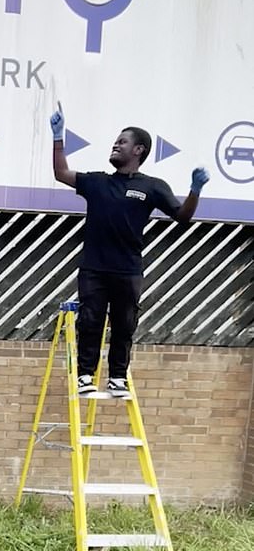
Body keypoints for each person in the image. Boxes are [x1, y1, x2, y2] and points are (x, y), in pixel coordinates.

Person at [49, 102, 209, 397]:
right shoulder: (97, 182)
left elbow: (183, 216)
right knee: (91, 321)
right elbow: (61, 172)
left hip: (128, 269)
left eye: (122, 142)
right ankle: (86, 375)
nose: (115, 145)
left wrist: (195, 190)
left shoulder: (152, 186)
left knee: (124, 324)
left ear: (139, 150)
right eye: (115, 142)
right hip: (94, 267)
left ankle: (117, 378)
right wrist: (58, 136)